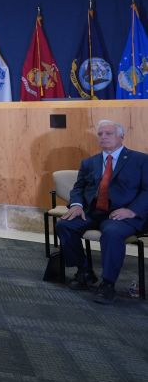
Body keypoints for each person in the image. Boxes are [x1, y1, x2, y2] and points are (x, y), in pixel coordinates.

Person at [56, 120, 148, 304]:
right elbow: (78, 188)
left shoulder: (141, 160)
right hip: (93, 212)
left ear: (121, 136)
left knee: (112, 233)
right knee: (64, 225)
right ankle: (84, 271)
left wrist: (131, 211)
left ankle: (108, 284)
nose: (104, 137)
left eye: (109, 133)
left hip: (122, 215)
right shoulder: (90, 162)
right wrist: (76, 205)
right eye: (100, 134)